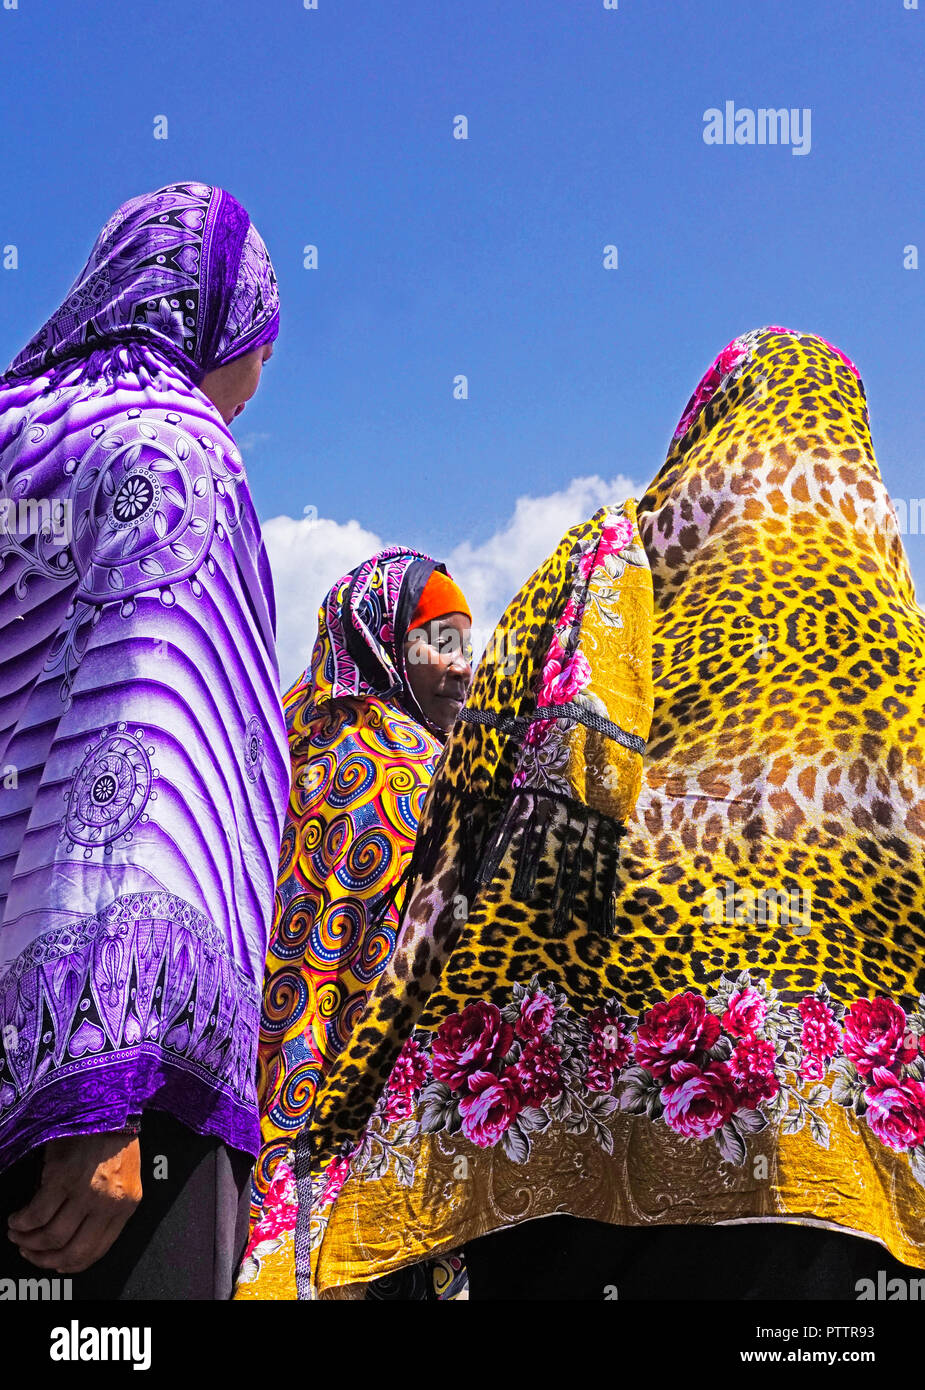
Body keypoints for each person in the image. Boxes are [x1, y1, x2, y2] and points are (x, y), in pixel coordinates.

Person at [292, 326, 925, 1299]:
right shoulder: (895, 633)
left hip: (582, 1143)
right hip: (847, 1175)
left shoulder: (607, 555)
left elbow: (473, 818)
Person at [0, 181, 289, 1300]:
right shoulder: (174, 450)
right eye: (262, 343)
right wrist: (101, 1085)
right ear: (223, 317)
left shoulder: (20, 437)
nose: (259, 379)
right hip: (113, 1099)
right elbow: (133, 765)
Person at [234, 548, 473, 1300]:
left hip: (247, 1125)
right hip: (375, 1152)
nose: (463, 666)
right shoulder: (420, 774)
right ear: (381, 643)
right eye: (440, 641)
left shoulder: (271, 743)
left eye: (469, 642)